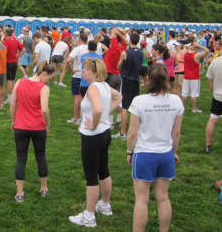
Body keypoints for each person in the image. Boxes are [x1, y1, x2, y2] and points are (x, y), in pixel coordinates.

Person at [126, 64, 183, 232]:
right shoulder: (176, 100)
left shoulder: (139, 101)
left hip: (144, 154)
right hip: (165, 154)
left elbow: (132, 133)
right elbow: (177, 132)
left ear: (148, 79)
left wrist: (130, 151)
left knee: (141, 200)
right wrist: (173, 152)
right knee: (163, 198)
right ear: (166, 79)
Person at [69, 59, 122, 228]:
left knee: (91, 176)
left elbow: (97, 109)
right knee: (103, 170)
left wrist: (93, 123)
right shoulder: (105, 86)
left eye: (86, 70)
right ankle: (105, 205)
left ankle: (89, 216)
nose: (83, 72)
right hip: (104, 134)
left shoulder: (93, 88)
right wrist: (107, 113)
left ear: (95, 73)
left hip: (93, 136)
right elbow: (118, 97)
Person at [10, 60, 53, 203]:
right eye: (49, 78)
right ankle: (44, 188)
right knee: (40, 157)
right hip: (38, 127)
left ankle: (20, 192)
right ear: (44, 73)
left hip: (20, 126)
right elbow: (45, 109)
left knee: (21, 158)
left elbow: (12, 103)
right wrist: (47, 124)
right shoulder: (43, 88)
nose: (48, 81)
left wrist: (13, 121)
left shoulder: (19, 82)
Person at [113, 33, 144, 140]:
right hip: (136, 80)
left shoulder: (125, 53)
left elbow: (118, 66)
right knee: (136, 107)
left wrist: (121, 59)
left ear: (130, 40)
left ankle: (122, 132)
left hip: (126, 80)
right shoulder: (141, 53)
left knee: (125, 107)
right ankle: (137, 130)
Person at [66, 32, 89, 124]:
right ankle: (83, 117)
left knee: (76, 96)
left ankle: (76, 118)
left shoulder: (78, 49)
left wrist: (72, 70)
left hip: (77, 75)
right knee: (86, 97)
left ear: (79, 40)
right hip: (87, 76)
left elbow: (68, 60)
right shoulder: (89, 49)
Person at [182, 42, 209, 113]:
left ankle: (183, 107)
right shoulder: (196, 55)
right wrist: (200, 46)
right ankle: (194, 109)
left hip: (186, 76)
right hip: (194, 77)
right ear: (196, 48)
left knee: (184, 93)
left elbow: (185, 47)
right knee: (194, 93)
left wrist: (188, 47)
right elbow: (207, 51)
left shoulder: (185, 54)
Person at [204, 54, 222, 153]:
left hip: (218, 95)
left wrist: (213, 91)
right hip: (218, 95)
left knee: (213, 119)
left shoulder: (215, 61)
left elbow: (210, 80)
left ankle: (207, 145)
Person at [3, 28, 25, 105]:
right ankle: (15, 96)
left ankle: (9, 99)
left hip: (8, 62)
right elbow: (24, 49)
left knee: (9, 81)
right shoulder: (15, 41)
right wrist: (18, 55)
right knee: (12, 80)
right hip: (14, 62)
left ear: (5, 34)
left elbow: (4, 51)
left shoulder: (6, 42)